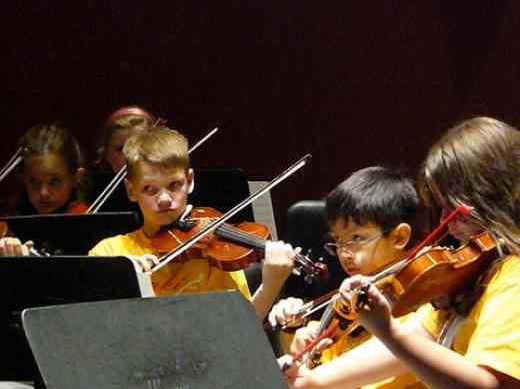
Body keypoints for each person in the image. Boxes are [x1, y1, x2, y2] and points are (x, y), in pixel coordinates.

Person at [287, 117, 520, 388]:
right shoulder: (478, 272)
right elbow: (417, 337)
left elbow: (488, 384)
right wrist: (314, 380)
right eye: (442, 208)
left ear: (493, 197)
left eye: (456, 210)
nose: (446, 221)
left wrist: (389, 332)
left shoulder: (513, 278)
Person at [89, 126, 295, 320]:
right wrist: (121, 275)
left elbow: (240, 330)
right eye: (149, 189)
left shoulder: (214, 250)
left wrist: (271, 285)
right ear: (131, 190)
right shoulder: (109, 252)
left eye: (174, 185)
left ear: (190, 180)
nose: (164, 199)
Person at [272, 166, 427, 387]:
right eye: (338, 240)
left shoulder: (426, 299)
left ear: (399, 237)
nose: (344, 252)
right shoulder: (350, 302)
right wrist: (299, 337)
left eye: (356, 237)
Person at [0, 124, 88, 255]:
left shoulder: (87, 222)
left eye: (55, 181)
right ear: (23, 178)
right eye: (34, 182)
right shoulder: (9, 224)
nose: (43, 193)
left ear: (76, 178)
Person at [86, 105, 158, 214]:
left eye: (141, 146)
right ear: (106, 154)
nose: (130, 157)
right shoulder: (91, 194)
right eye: (121, 149)